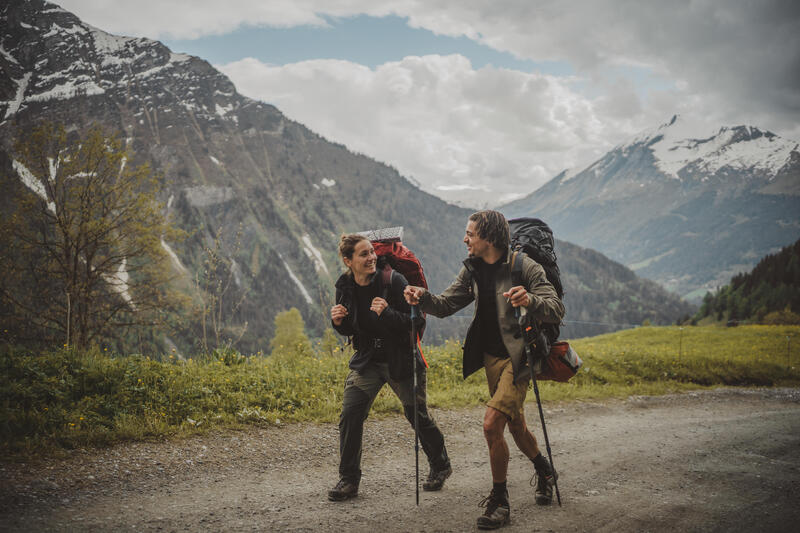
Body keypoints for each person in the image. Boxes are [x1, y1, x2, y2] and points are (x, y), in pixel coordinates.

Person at [404, 210, 565, 530]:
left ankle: (500, 501)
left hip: (520, 358)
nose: (465, 239)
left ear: (489, 238)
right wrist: (421, 297)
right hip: (492, 359)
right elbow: (445, 305)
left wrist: (530, 300)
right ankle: (545, 470)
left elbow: (555, 309)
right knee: (515, 425)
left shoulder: (524, 267)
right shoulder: (474, 271)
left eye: (470, 234)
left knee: (492, 425)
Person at [328, 233, 452, 501]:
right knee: (350, 414)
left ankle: (440, 465)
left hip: (400, 358)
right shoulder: (345, 287)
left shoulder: (393, 280)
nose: (371, 257)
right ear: (348, 261)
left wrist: (388, 313)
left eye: (372, 251)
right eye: (364, 254)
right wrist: (338, 323)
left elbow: (415, 321)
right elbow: (353, 327)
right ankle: (349, 480)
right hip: (369, 360)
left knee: (416, 416)